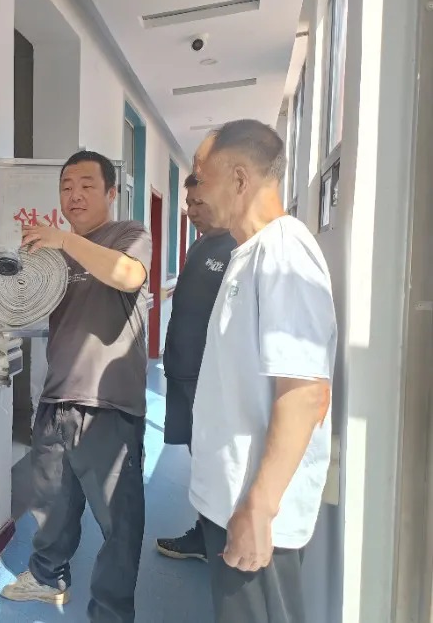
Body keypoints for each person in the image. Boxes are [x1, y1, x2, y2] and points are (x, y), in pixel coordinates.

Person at [189, 120, 336, 623]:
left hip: (254, 509)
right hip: (233, 499)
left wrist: (261, 506)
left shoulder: (284, 252)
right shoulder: (248, 253)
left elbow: (305, 391)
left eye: (200, 177)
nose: (195, 192)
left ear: (238, 179)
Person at [0, 150, 152, 622]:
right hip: (56, 395)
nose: (75, 195)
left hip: (109, 403)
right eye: (66, 187)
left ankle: (111, 612)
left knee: (118, 522)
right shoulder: (52, 253)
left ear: (111, 192)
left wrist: (64, 239)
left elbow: (128, 275)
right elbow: (28, 306)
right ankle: (47, 577)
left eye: (87, 185)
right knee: (53, 504)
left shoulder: (130, 235)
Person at [155, 169, 236, 562]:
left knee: (213, 463)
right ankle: (207, 534)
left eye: (199, 202)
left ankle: (217, 540)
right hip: (183, 372)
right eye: (188, 203)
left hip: (208, 380)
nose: (191, 211)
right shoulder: (201, 244)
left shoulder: (237, 247)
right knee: (199, 459)